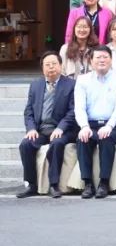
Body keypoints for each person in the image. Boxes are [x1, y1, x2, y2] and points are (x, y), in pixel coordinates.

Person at [15, 52, 77, 199]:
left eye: (54, 64)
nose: (51, 67)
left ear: (61, 65)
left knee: (57, 143)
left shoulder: (71, 85)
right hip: (41, 129)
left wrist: (61, 128)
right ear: (42, 68)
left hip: (63, 129)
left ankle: (54, 184)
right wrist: (31, 128)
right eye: (47, 65)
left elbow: (73, 111)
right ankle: (31, 184)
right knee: (25, 145)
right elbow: (29, 111)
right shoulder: (35, 85)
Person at [74, 46, 116, 199]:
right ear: (91, 61)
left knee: (106, 137)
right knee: (83, 138)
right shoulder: (82, 80)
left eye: (105, 57)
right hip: (90, 124)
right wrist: (84, 126)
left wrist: (109, 126)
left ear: (111, 60)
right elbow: (79, 107)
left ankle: (104, 183)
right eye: (98, 57)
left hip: (114, 125)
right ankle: (87, 183)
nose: (102, 60)